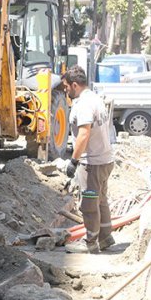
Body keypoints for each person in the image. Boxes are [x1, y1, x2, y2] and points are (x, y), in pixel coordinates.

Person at [61, 66, 115, 254]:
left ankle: (91, 242)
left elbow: (84, 133)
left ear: (75, 85)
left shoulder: (83, 104)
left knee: (89, 203)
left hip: (92, 163)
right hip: (105, 159)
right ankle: (105, 237)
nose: (66, 90)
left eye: (67, 87)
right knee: (101, 200)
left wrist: (74, 161)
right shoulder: (95, 98)